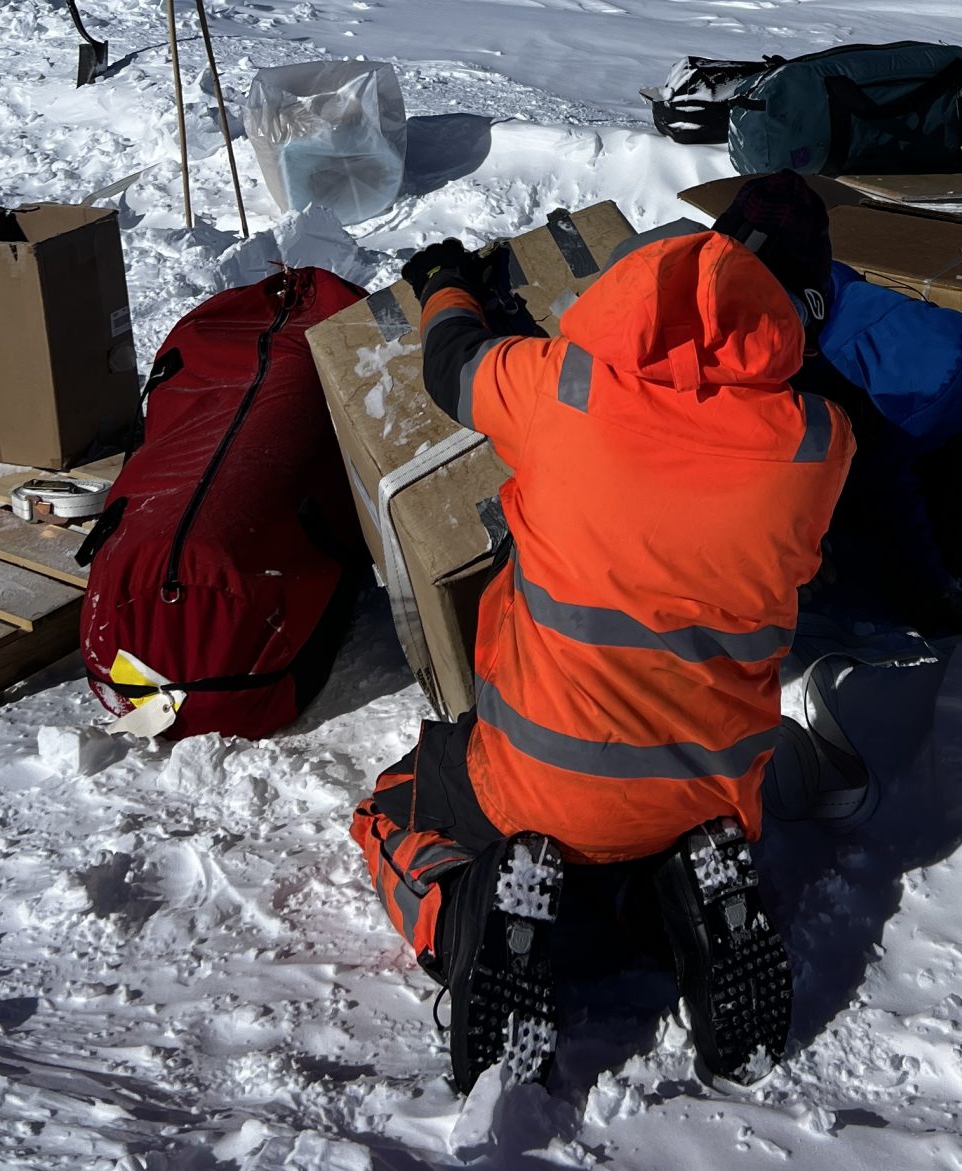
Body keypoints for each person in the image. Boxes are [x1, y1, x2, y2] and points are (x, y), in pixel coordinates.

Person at [350, 179, 855, 1093]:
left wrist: (446, 285)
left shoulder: (558, 389)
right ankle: (677, 907)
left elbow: (451, 363)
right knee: (662, 809)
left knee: (389, 805)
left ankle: (463, 911)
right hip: (713, 793)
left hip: (545, 787)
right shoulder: (820, 445)